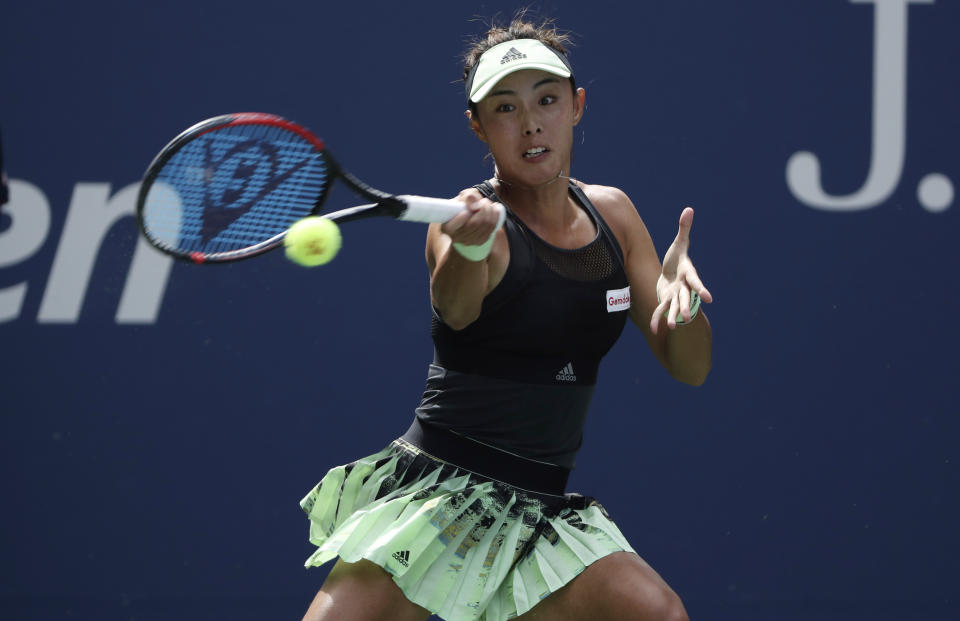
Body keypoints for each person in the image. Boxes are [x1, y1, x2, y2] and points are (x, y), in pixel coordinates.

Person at [300, 15, 712, 621]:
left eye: (546, 100)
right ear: (478, 126)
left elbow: (691, 368)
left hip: (541, 514)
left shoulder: (615, 218)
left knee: (656, 613)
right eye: (505, 108)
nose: (531, 123)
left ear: (577, 106)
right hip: (436, 497)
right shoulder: (463, 222)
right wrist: (470, 247)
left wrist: (686, 304)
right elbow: (456, 309)